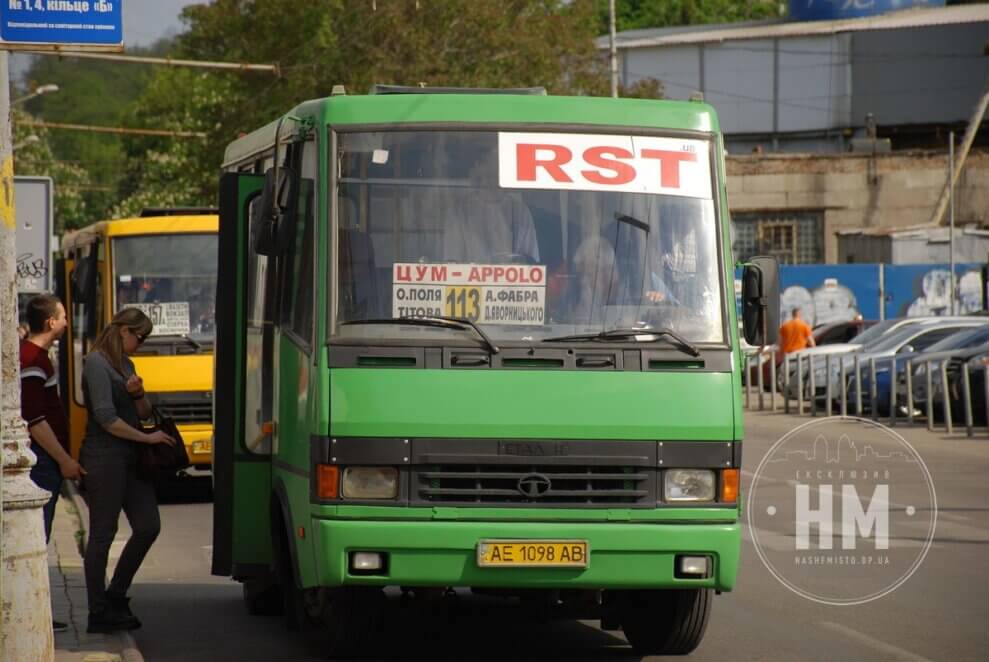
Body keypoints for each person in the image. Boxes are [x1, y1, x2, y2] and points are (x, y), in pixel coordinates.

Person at [80, 307, 175, 634]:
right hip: (104, 457)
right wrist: (145, 437)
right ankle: (98, 609)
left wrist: (138, 394)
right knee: (102, 535)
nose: (142, 342)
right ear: (123, 330)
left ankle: (116, 592)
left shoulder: (127, 365)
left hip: (131, 458)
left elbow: (145, 412)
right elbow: (106, 418)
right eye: (140, 336)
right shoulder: (96, 363)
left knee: (148, 525)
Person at [20, 294, 85, 634]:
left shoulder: (36, 356)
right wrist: (64, 460)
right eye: (62, 317)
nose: (66, 323)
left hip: (47, 459)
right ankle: (31, 612)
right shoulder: (33, 358)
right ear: (50, 323)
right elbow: (34, 417)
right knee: (35, 538)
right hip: (44, 461)